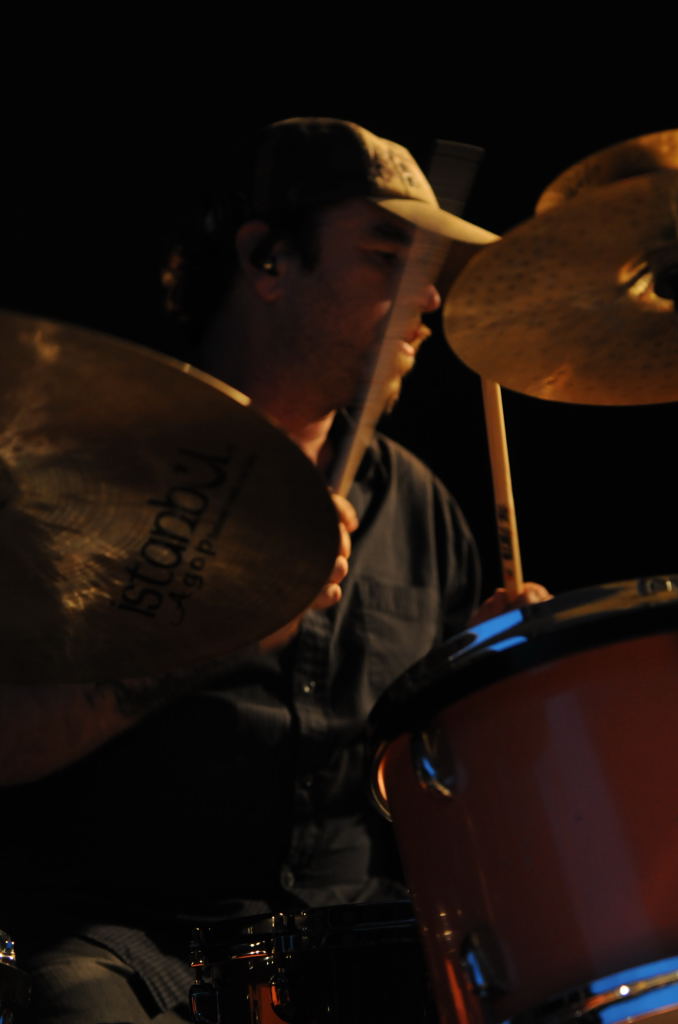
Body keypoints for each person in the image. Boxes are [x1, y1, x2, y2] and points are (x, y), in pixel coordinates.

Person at [0, 117, 549, 1022]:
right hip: (129, 943)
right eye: (386, 257)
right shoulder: (98, 475)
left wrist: (495, 700)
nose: (428, 300)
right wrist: (224, 629)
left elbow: (439, 794)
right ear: (269, 260)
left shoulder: (421, 507)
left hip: (358, 938)